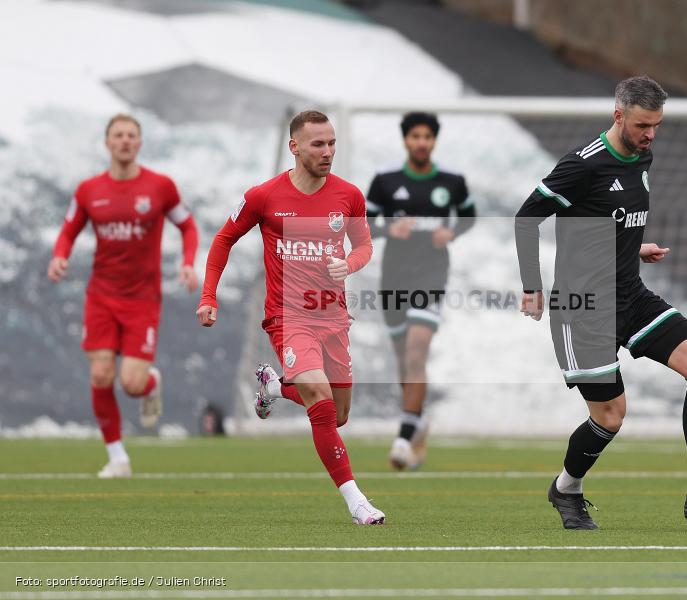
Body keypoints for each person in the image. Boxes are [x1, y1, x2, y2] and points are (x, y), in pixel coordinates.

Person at [514, 75, 687, 530]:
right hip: (582, 307)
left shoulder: (642, 155)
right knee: (610, 417)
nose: (650, 134)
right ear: (618, 115)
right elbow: (528, 216)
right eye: (643, 125)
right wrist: (531, 284)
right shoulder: (582, 164)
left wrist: (634, 245)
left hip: (630, 295)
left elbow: (611, 216)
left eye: (657, 125)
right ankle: (566, 487)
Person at [196, 110, 385, 525]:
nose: (328, 151)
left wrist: (348, 264)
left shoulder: (349, 195)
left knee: (337, 415)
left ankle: (275, 388)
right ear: (294, 147)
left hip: (333, 318)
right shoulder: (264, 196)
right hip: (288, 317)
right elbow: (224, 238)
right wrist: (209, 294)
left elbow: (365, 246)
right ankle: (356, 501)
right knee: (319, 397)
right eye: (318, 144)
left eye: (332, 143)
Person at [48, 113, 199, 479]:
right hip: (101, 295)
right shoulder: (88, 191)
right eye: (118, 135)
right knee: (101, 375)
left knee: (131, 384)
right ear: (107, 142)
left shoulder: (161, 187)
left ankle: (151, 383)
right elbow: (69, 230)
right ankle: (117, 458)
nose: (125, 141)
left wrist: (188, 263)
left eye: (132, 135)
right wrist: (60, 256)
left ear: (139, 142)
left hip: (142, 299)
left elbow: (188, 225)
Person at [365, 112, 476, 470]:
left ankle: (402, 438)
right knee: (403, 359)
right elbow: (363, 222)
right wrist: (387, 231)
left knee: (416, 350)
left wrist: (453, 233)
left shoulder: (452, 182)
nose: (422, 142)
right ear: (405, 140)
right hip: (394, 276)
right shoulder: (385, 181)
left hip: (432, 274)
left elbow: (470, 215)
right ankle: (418, 421)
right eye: (415, 136)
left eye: (428, 136)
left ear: (434, 141)